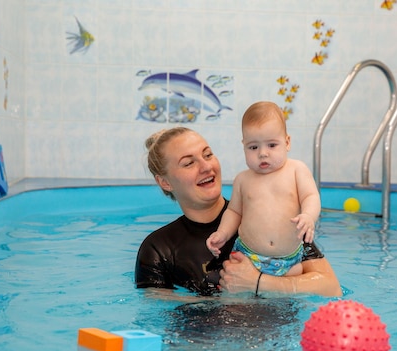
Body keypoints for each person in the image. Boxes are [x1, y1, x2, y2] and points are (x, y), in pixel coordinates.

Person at [134, 126, 342, 297]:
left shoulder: (270, 215)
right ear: (164, 182)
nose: (206, 166)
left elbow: (331, 288)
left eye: (208, 155)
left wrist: (259, 283)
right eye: (189, 163)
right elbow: (157, 312)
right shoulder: (158, 250)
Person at [206, 101, 320, 278]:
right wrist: (223, 233)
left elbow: (311, 196)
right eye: (253, 147)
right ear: (244, 145)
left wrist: (308, 216)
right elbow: (234, 212)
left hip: (288, 260)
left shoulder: (297, 170)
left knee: (294, 287)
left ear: (287, 142)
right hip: (247, 256)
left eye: (272, 145)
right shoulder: (243, 179)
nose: (263, 153)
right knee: (233, 290)